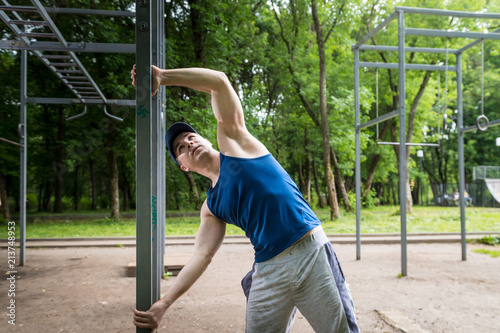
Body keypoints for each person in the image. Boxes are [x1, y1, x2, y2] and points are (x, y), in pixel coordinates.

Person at [130, 65, 359, 333]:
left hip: (310, 253)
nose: (189, 143)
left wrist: (163, 77)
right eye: (181, 147)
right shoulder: (211, 207)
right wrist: (164, 303)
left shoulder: (237, 143)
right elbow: (201, 256)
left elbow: (219, 81)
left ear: (206, 139)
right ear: (184, 166)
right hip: (269, 270)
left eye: (191, 137)